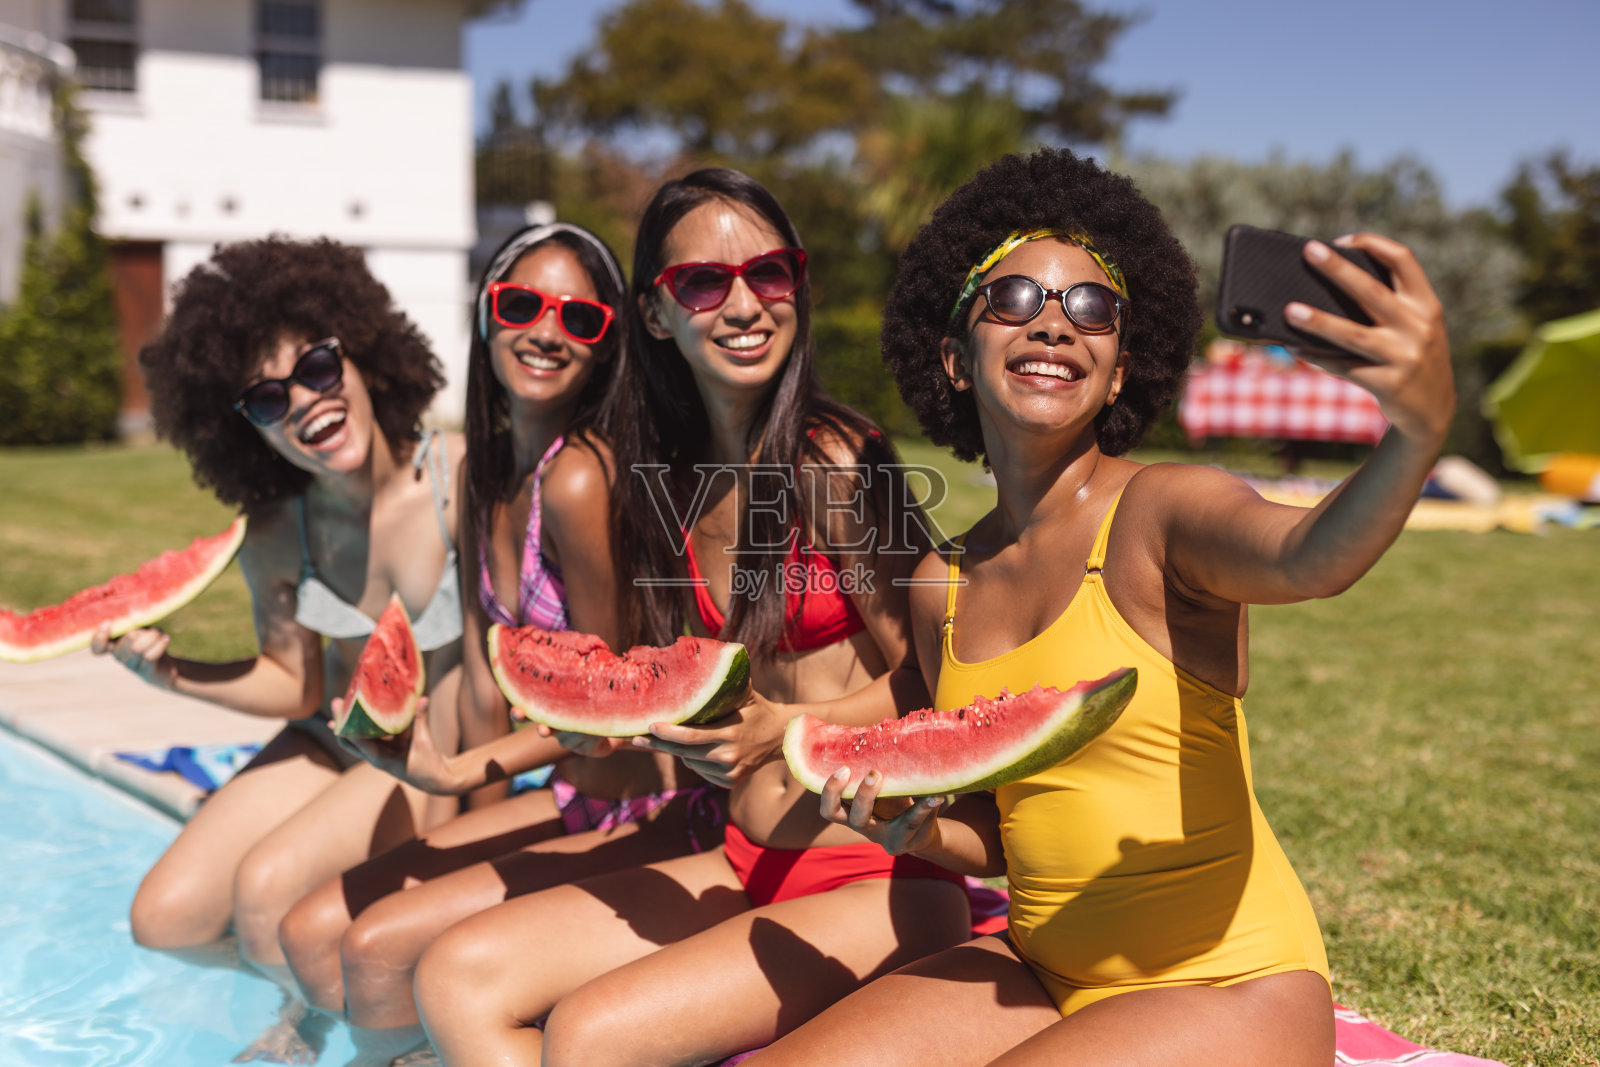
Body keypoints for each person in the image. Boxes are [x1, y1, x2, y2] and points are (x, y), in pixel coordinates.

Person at [744, 147, 1456, 1066]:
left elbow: (1309, 556)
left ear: (1119, 371)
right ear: (955, 357)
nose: (1054, 323)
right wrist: (918, 830)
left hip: (1229, 981)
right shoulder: (939, 584)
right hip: (1040, 967)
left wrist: (1416, 433)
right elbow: (1010, 831)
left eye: (1093, 308)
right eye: (1013, 298)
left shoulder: (1164, 511)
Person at [411, 168, 980, 1067]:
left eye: (771, 273)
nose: (745, 304)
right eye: (705, 282)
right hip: (741, 852)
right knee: (456, 977)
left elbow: (938, 686)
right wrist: (593, 729)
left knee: (587, 1038)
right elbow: (666, 689)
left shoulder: (836, 460)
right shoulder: (668, 482)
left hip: (877, 868)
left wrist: (785, 729)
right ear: (655, 313)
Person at [276, 222, 719, 1067]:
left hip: (647, 809)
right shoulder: (490, 467)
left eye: (579, 318)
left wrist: (453, 776)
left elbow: (607, 708)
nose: (547, 331)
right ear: (486, 314)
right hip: (563, 794)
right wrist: (462, 801)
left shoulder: (577, 477)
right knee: (311, 927)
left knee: (372, 948)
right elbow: (490, 675)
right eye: (522, 305)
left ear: (606, 347)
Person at [92, 236, 468, 1064]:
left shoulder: (461, 481)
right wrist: (172, 671)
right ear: (245, 429)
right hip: (328, 738)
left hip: (428, 750)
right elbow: (293, 683)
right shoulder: (276, 529)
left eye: (318, 366)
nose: (301, 399)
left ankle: (329, 1031)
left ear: (363, 355)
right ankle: (309, 985)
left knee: (266, 891)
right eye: (266, 399)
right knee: (164, 918)